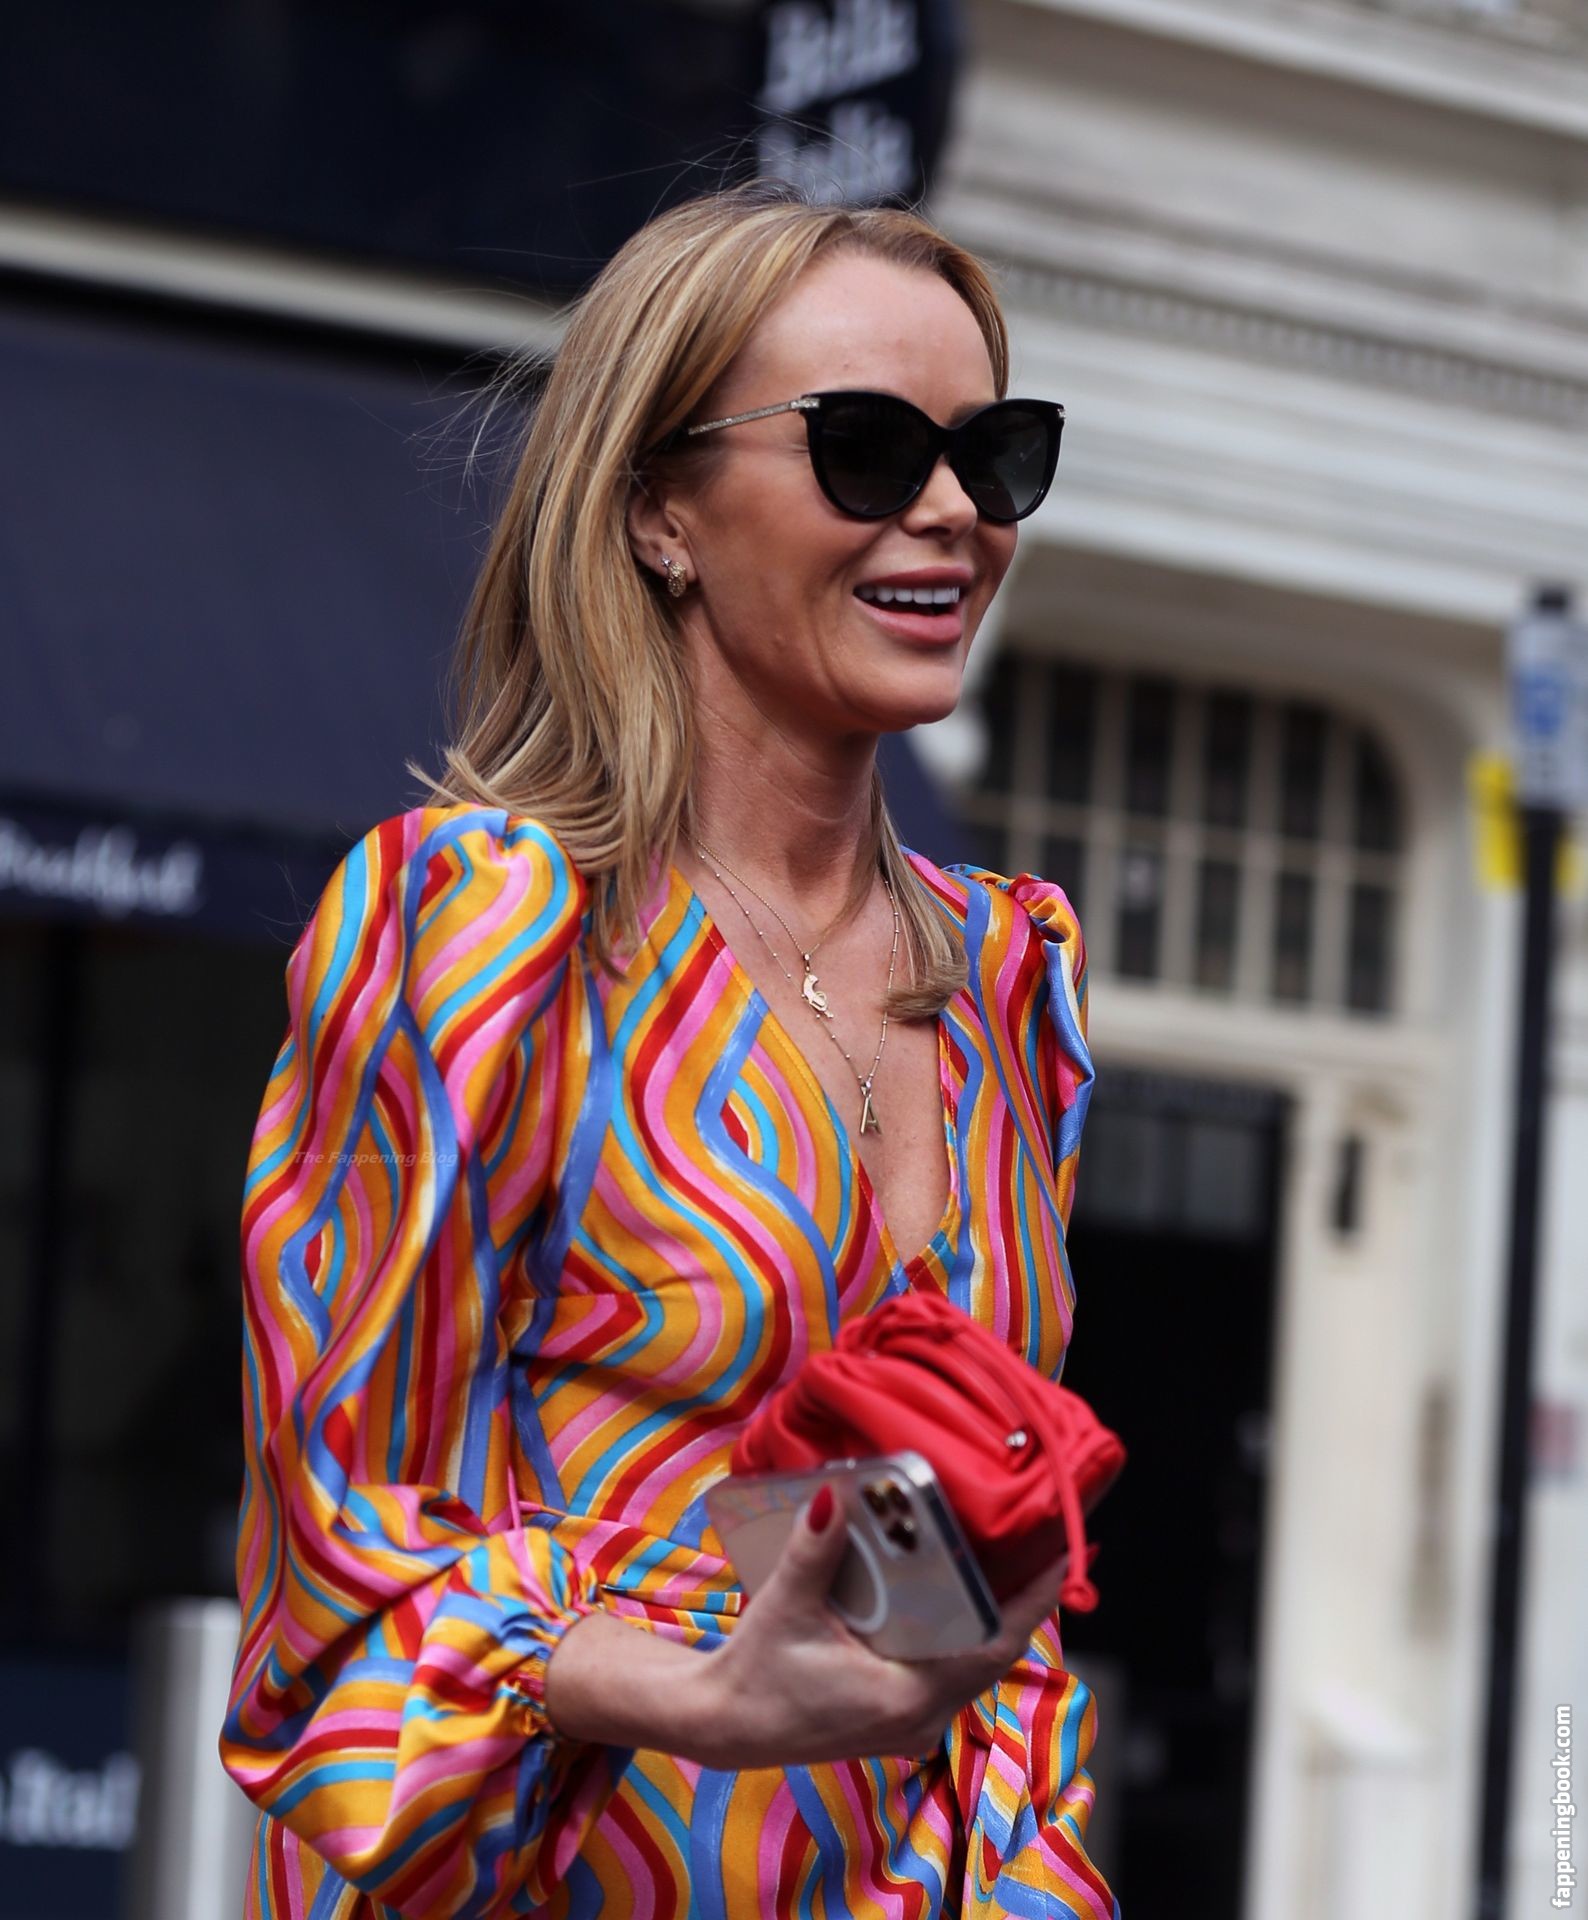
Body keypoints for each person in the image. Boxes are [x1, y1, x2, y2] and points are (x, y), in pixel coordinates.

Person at [220, 180, 1116, 1920]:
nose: (950, 509)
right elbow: (339, 1557)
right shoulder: (479, 927)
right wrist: (699, 1695)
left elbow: (992, 1600)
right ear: (658, 514)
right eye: (866, 447)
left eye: (995, 455)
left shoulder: (1011, 975)